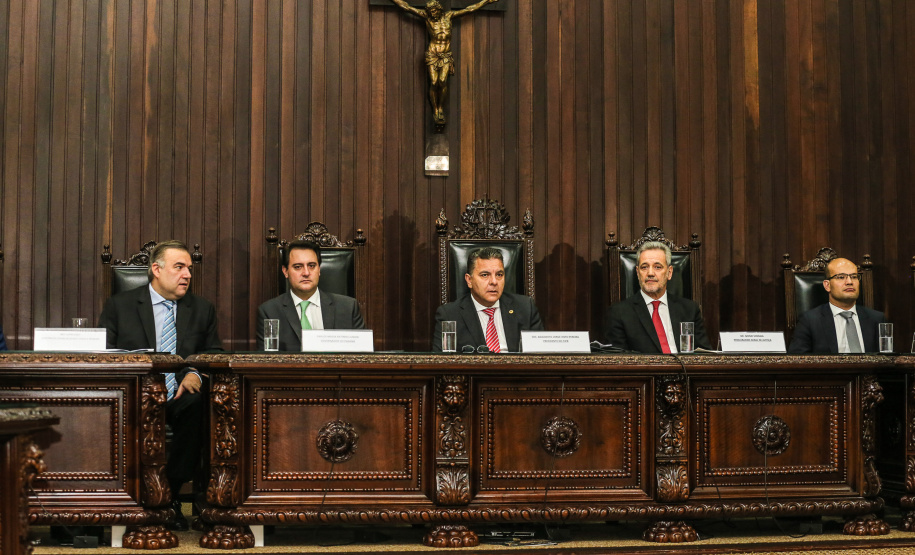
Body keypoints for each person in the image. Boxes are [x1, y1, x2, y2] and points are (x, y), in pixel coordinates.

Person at [98, 240, 222, 531]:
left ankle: (171, 493)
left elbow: (215, 355)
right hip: (135, 395)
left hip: (180, 396)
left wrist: (195, 373)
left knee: (197, 403)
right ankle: (139, 497)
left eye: (189, 269)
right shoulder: (121, 305)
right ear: (156, 269)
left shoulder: (202, 308)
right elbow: (103, 354)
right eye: (179, 267)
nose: (188, 275)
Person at [390, 0, 500, 126]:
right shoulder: (427, 18)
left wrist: (486, 1)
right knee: (433, 82)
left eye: (434, 11)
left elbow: (470, 9)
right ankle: (435, 108)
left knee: (442, 81)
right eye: (430, 12)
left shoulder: (449, 16)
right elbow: (407, 7)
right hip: (432, 54)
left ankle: (440, 107)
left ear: (439, 9)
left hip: (446, 55)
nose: (433, 13)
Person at [256, 239, 365, 351]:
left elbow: (362, 358)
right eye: (298, 267)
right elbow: (267, 361)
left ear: (319, 270)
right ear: (285, 271)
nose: (306, 273)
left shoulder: (348, 307)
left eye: (312, 266)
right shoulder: (269, 312)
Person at [603, 241, 711, 353]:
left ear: (669, 273)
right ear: (637, 272)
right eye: (644, 267)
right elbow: (617, 361)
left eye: (657, 267)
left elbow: (704, 354)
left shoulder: (690, 310)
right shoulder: (619, 313)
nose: (650, 273)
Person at [432, 247, 543, 352]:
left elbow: (540, 356)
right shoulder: (449, 314)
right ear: (469, 280)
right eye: (485, 275)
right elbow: (441, 361)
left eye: (499, 274)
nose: (494, 282)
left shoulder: (525, 308)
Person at [788, 257, 885, 353]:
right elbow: (797, 360)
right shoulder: (809, 321)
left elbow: (888, 360)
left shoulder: (877, 319)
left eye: (854, 277)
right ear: (827, 285)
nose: (849, 282)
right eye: (841, 277)